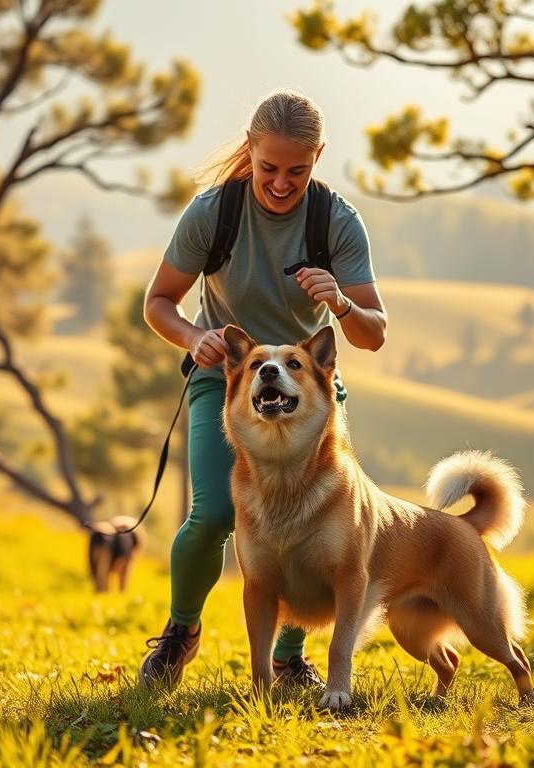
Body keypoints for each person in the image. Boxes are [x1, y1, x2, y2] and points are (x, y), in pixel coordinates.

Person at [140, 89, 388, 690]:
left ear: (318, 158)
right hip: (226, 384)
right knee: (213, 514)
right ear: (250, 149)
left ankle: (288, 655)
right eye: (268, 167)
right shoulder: (213, 213)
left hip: (306, 392)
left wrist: (340, 302)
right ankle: (179, 634)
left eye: (296, 171)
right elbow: (158, 303)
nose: (280, 183)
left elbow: (373, 333)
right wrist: (193, 337)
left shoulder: (336, 221)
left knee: (312, 524)